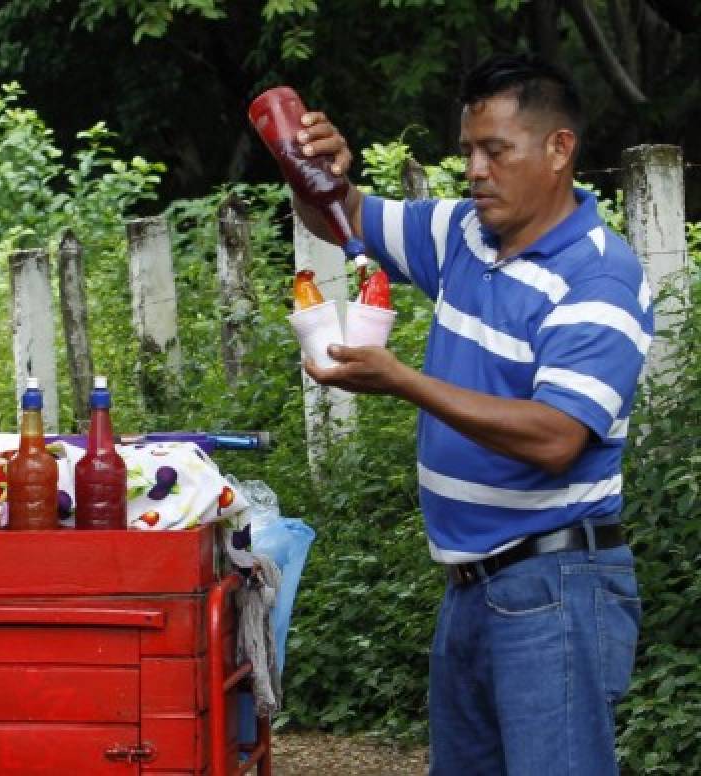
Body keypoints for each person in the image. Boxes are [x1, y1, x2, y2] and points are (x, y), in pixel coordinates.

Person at [290, 54, 652, 775]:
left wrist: (404, 382)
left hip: (557, 586)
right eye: (468, 151)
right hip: (470, 584)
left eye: (496, 150)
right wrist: (314, 173)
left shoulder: (599, 276)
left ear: (559, 150)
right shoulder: (462, 233)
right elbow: (346, 219)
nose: (476, 171)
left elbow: (556, 438)